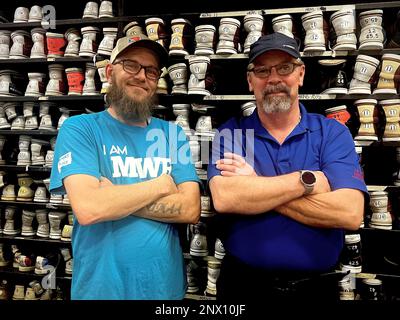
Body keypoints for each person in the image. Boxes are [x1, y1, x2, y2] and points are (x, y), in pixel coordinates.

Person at [207, 32, 367, 301]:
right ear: (250, 81)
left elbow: (350, 213)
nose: (274, 79)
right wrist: (305, 182)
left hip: (314, 289)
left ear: (301, 74)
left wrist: (255, 185)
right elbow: (225, 199)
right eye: (262, 70)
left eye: (285, 68)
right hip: (243, 286)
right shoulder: (229, 133)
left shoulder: (332, 133)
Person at [50, 34, 201, 300]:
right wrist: (161, 185)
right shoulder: (80, 129)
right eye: (131, 65)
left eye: (151, 70)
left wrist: (112, 196)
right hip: (101, 290)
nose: (142, 76)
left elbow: (190, 209)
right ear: (109, 71)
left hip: (164, 290)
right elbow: (90, 208)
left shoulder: (172, 134)